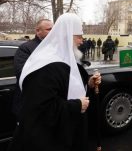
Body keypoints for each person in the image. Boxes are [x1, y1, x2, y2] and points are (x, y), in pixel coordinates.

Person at [9, 13, 101, 151]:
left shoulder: (68, 59)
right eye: (79, 37)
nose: (82, 41)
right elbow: (41, 108)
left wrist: (89, 84)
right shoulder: (45, 64)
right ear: (67, 37)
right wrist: (76, 105)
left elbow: (68, 88)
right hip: (49, 139)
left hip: (68, 132)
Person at [12, 19, 53, 120]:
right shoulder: (25, 48)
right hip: (30, 105)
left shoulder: (55, 48)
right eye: (49, 29)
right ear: (38, 31)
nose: (53, 32)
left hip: (50, 104)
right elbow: (22, 73)